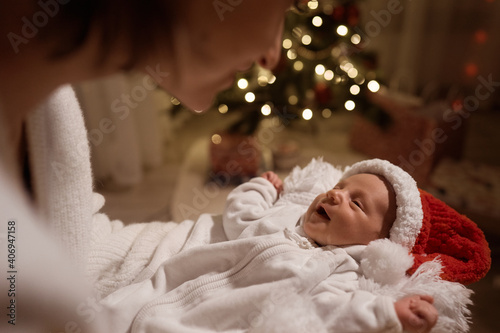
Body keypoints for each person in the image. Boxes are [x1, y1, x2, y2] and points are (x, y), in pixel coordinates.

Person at [0, 1, 295, 332]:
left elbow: (76, 246)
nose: (272, 56)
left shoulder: (47, 103)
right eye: (286, 5)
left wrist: (236, 252)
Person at [93, 158, 490, 333]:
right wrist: (263, 188)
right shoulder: (287, 220)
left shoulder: (341, 271)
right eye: (339, 188)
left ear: (380, 242)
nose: (335, 196)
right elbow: (240, 216)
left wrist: (391, 313)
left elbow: (336, 314)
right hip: (157, 288)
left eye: (356, 203)